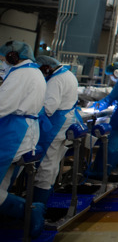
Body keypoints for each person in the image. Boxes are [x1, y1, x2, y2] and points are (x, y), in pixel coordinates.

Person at [0, 41, 46, 237]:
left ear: (12, 57)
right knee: (3, 184)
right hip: (23, 132)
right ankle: (29, 210)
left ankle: (30, 211)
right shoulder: (33, 72)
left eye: (3, 59)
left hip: (14, 135)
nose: (3, 63)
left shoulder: (20, 74)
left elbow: (3, 104)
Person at [33, 56, 81, 205]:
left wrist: (33, 111)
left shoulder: (56, 80)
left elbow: (49, 107)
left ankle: (37, 204)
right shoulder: (67, 74)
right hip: (64, 124)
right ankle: (43, 200)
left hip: (56, 126)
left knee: (46, 163)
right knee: (53, 162)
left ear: (47, 67)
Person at [86, 62, 118, 179]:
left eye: (111, 75)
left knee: (112, 145)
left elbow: (109, 99)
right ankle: (108, 168)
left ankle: (101, 172)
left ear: (116, 72)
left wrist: (94, 107)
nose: (111, 77)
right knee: (117, 144)